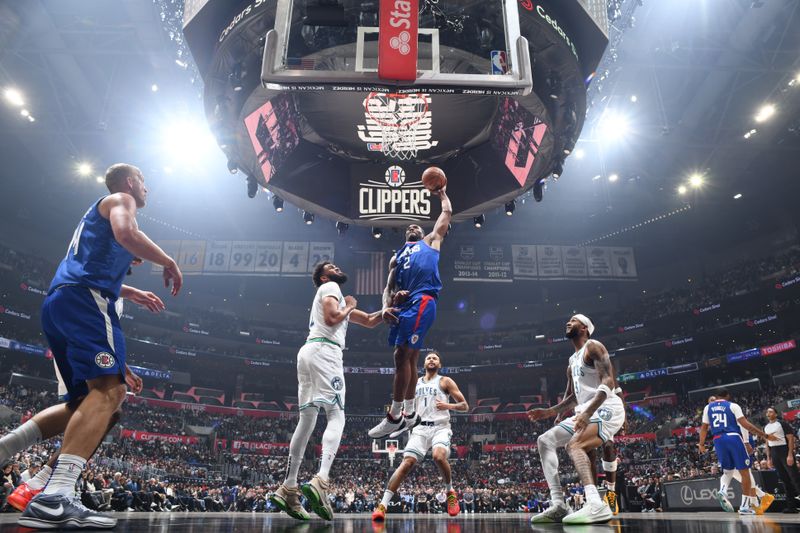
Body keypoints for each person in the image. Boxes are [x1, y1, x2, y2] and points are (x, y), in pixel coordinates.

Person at [18, 163, 182, 529]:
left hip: (60, 302)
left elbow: (96, 259)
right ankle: (56, 494)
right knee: (111, 395)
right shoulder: (120, 199)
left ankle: (32, 473)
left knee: (84, 402)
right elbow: (126, 234)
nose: (146, 189)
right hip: (85, 301)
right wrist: (168, 260)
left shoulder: (93, 221)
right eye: (143, 181)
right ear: (129, 182)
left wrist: (130, 289)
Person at [270, 262, 390, 522]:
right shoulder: (331, 287)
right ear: (324, 276)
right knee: (337, 416)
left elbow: (369, 321)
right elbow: (332, 318)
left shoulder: (331, 296)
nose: (338, 268)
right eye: (332, 267)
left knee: (307, 420)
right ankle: (321, 480)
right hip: (325, 352)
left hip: (309, 353)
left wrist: (388, 311)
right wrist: (348, 304)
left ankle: (289, 487)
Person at [368, 185, 453, 439]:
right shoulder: (398, 257)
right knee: (409, 359)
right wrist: (386, 305)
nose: (413, 228)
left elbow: (447, 213)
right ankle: (410, 413)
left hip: (423, 300)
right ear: (405, 235)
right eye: (409, 228)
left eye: (417, 226)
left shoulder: (431, 241)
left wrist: (442, 194)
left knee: (400, 355)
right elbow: (388, 287)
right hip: (404, 306)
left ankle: (395, 416)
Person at [528, 314, 625, 524]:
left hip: (606, 406)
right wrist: (551, 412)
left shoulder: (593, 346)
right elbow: (573, 396)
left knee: (577, 446)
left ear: (585, 328)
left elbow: (609, 381)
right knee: (545, 441)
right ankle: (559, 505)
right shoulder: (571, 361)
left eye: (573, 320)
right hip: (584, 409)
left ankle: (598, 503)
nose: (568, 322)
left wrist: (588, 412)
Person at [371, 352, 468, 522]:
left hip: (440, 427)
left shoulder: (445, 381)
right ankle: (382, 506)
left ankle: (450, 492)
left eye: (435, 358)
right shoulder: (414, 383)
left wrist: (448, 405)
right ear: (423, 365)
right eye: (428, 358)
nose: (431, 360)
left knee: (438, 456)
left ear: (440, 364)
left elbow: (465, 405)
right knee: (406, 463)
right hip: (419, 428)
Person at [698, 389, 774, 515]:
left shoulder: (708, 408)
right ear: (727, 396)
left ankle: (753, 501)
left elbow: (704, 428)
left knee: (737, 472)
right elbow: (745, 424)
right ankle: (756, 500)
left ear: (716, 398)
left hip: (724, 439)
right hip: (734, 437)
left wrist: (701, 444)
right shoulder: (732, 406)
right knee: (740, 472)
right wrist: (762, 435)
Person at [764, 407, 800, 513]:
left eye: (770, 411)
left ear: (776, 414)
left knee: (795, 478)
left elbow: (790, 439)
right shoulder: (765, 427)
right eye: (767, 412)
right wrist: (768, 458)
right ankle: (791, 506)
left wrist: (790, 455)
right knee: (784, 480)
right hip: (774, 452)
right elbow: (767, 444)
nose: (768, 413)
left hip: (784, 450)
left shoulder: (782, 424)